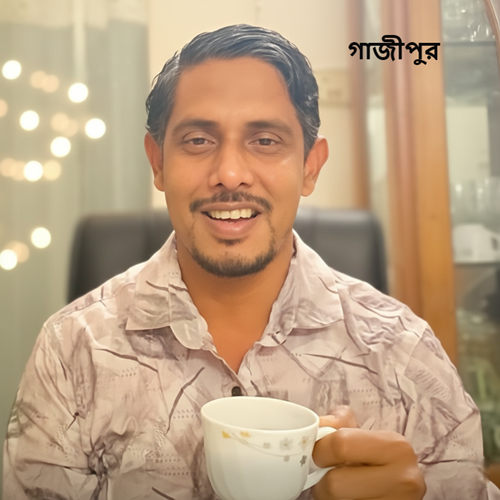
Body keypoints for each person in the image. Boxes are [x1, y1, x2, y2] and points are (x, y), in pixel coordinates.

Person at [3, 24, 499, 500]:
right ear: (158, 162)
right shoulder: (72, 351)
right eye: (198, 140)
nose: (230, 173)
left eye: (265, 141)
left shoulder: (402, 352)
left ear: (310, 166)